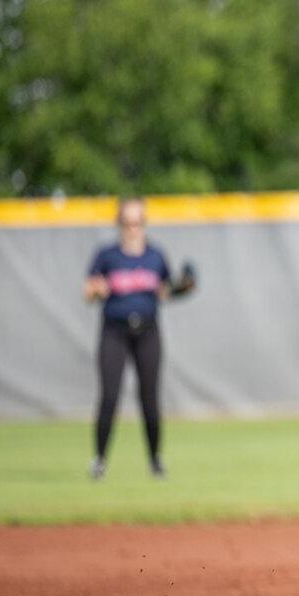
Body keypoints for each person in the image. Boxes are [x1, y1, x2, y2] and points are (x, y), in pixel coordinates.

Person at [83, 196, 181, 480]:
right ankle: (99, 459)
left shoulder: (155, 256)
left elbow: (165, 290)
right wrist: (97, 289)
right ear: (119, 224)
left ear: (144, 224)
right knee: (110, 396)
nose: (133, 228)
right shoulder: (107, 256)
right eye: (127, 222)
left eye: (137, 222)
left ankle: (155, 459)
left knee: (149, 397)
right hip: (114, 331)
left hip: (147, 331)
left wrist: (183, 287)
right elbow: (88, 291)